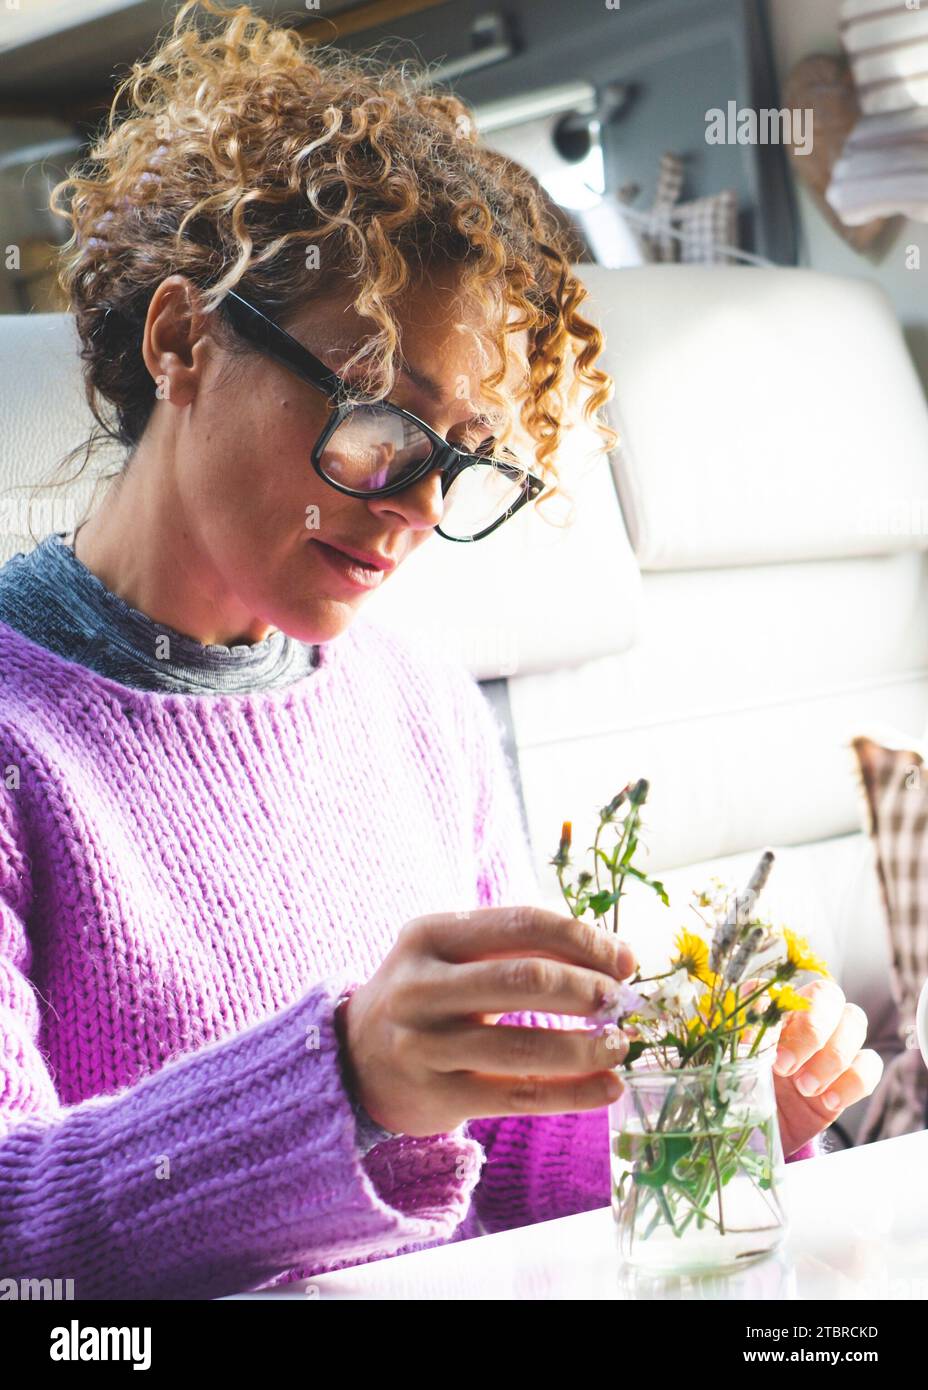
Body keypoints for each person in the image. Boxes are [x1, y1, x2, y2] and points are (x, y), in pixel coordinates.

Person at [0, 0, 882, 1299]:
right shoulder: (24, 749)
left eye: (462, 461)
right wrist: (345, 1078)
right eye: (377, 425)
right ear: (183, 342)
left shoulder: (415, 698)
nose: (418, 507)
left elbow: (503, 1154)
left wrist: (710, 1111)